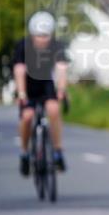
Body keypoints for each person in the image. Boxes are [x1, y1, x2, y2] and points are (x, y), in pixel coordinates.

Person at [13, 11, 69, 175]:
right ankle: (24, 153)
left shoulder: (56, 46)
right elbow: (19, 70)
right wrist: (22, 94)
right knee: (28, 116)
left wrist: (61, 90)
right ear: (32, 34)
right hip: (27, 85)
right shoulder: (23, 46)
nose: (42, 39)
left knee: (54, 109)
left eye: (45, 36)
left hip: (46, 83)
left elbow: (61, 68)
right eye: (39, 36)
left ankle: (58, 151)